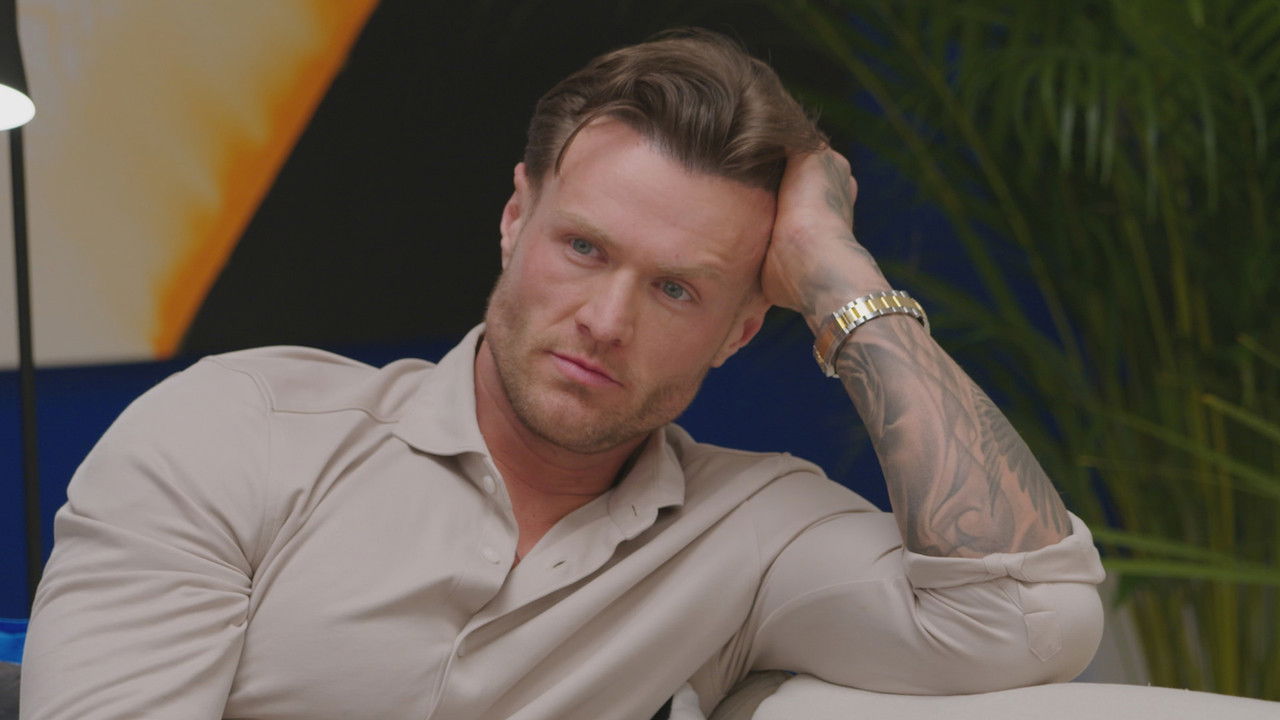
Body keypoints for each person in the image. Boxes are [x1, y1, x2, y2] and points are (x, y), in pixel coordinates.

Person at [20, 29, 1104, 720]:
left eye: (676, 289)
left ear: (738, 332)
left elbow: (1029, 618)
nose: (605, 320)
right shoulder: (237, 429)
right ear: (513, 219)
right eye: (583, 248)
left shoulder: (753, 532)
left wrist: (839, 278)